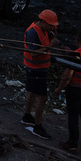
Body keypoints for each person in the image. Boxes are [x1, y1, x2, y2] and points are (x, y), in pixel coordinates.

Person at [22, 8, 60, 140]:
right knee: (42, 97)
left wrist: (53, 34)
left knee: (32, 92)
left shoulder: (44, 30)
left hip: (41, 68)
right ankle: (38, 127)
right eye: (51, 25)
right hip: (35, 68)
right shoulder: (32, 32)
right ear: (43, 22)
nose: (52, 27)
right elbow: (33, 53)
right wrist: (50, 46)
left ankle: (27, 116)